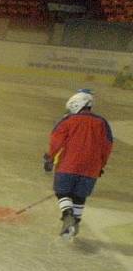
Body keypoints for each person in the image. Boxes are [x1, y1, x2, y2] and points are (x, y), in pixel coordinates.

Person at [42, 90, 113, 239]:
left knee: (62, 192)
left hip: (69, 164)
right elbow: (107, 145)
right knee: (80, 197)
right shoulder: (102, 123)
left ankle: (67, 215)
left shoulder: (68, 120)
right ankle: (75, 224)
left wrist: (50, 158)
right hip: (91, 168)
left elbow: (56, 141)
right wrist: (101, 165)